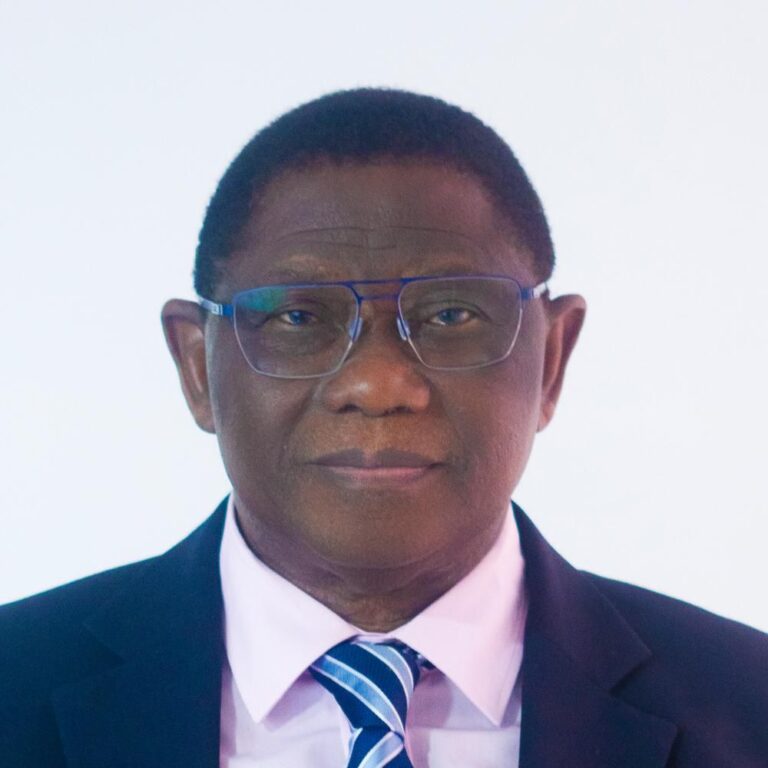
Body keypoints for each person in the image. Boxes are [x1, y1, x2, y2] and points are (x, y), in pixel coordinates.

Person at [1, 89, 766, 768]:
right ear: (197, 366)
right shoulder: (17, 685)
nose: (377, 384)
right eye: (298, 317)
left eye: (451, 314)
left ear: (552, 360)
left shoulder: (747, 704)